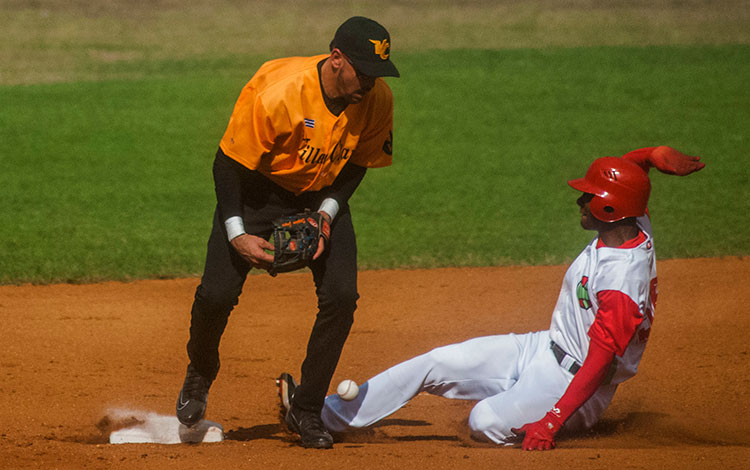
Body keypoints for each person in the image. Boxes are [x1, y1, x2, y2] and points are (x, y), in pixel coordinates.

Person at [278, 146, 704, 450]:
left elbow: (601, 360)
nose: (580, 199)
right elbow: (624, 174)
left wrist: (553, 421)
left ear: (611, 209)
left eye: (589, 197)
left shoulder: (621, 283)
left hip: (575, 385)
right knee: (436, 362)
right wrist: (651, 155)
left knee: (484, 422)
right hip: (542, 346)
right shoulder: (633, 220)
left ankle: (552, 421)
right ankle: (321, 415)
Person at [176, 16, 400, 449]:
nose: (371, 83)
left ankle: (307, 407)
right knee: (216, 295)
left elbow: (359, 162)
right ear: (337, 59)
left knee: (341, 297)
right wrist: (238, 233)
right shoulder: (278, 91)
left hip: (320, 199)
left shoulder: (376, 100)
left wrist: (326, 214)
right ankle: (201, 370)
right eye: (364, 71)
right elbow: (228, 164)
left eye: (377, 74)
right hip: (256, 193)